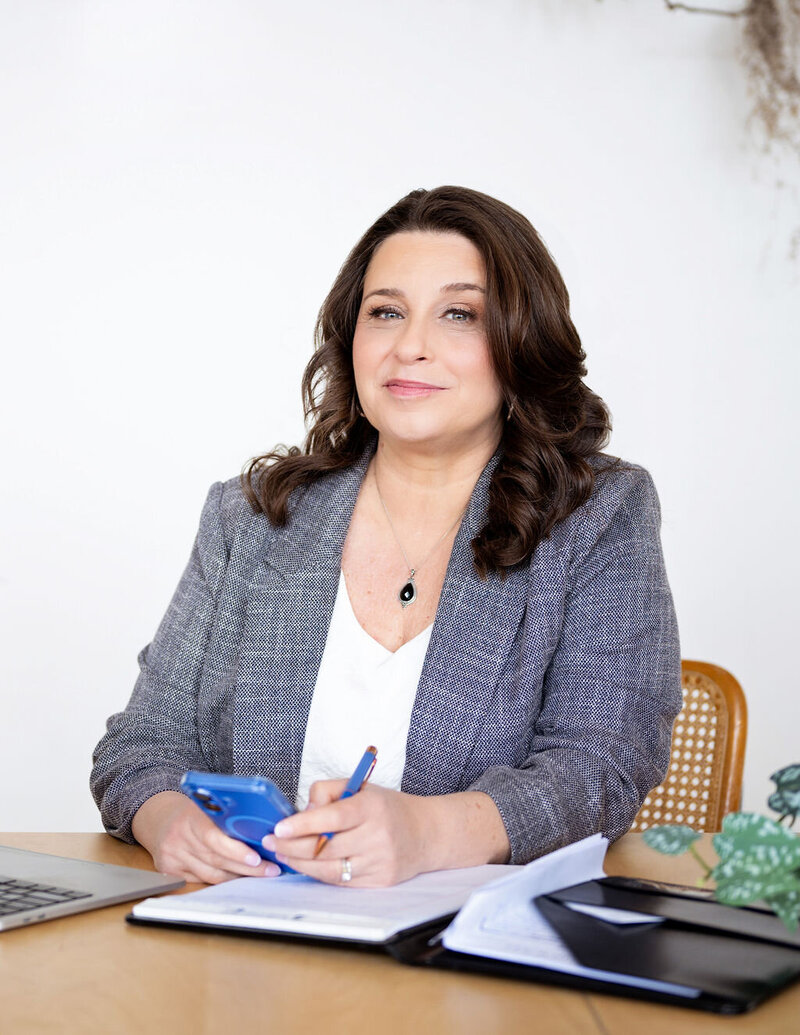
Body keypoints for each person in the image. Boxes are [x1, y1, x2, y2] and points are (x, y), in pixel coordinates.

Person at [91, 186, 681, 888]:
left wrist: (426, 831)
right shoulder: (250, 516)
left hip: (466, 961)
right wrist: (167, 820)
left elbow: (603, 763)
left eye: (459, 314)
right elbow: (139, 743)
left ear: (521, 341)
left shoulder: (597, 515)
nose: (410, 346)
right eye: (386, 312)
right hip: (245, 942)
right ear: (352, 340)